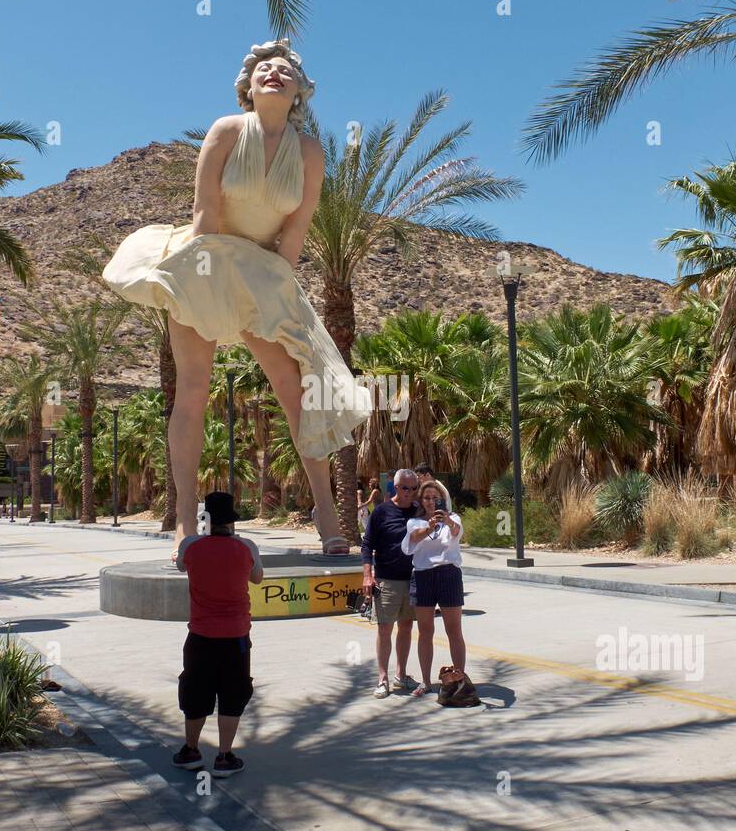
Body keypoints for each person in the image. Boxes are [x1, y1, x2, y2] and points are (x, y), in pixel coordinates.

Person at [104, 38, 372, 561]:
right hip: (205, 259)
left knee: (297, 393)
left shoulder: (310, 152)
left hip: (263, 273)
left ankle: (327, 515)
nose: (274, 74)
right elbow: (204, 213)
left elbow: (293, 235)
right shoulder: (227, 131)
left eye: (285, 70)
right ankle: (184, 522)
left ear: (299, 92)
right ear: (248, 87)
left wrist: (280, 297)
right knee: (193, 388)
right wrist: (199, 284)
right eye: (263, 69)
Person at [172, 491, 264, 777]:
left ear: (206, 521)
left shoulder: (190, 546)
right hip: (236, 636)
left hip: (200, 635)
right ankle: (224, 756)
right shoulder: (247, 547)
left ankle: (190, 750)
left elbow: (180, 564)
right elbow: (257, 577)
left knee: (195, 691)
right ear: (231, 522)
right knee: (233, 693)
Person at [401, 480, 466, 697]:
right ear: (421, 500)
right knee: (425, 631)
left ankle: (460, 678)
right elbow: (410, 544)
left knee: (454, 630)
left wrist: (446, 521)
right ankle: (426, 682)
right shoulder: (414, 522)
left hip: (448, 574)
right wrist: (427, 527)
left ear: (441, 500)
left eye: (435, 498)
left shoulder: (453, 518)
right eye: (427, 497)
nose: (431, 502)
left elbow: (457, 532)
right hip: (423, 576)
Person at [361, 468, 421, 698]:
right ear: (395, 487)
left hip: (413, 579)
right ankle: (382, 678)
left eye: (414, 488)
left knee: (406, 626)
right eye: (405, 488)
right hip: (387, 579)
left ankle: (401, 674)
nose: (410, 492)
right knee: (385, 628)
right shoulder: (382, 512)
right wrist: (368, 575)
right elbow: (367, 545)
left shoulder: (419, 511)